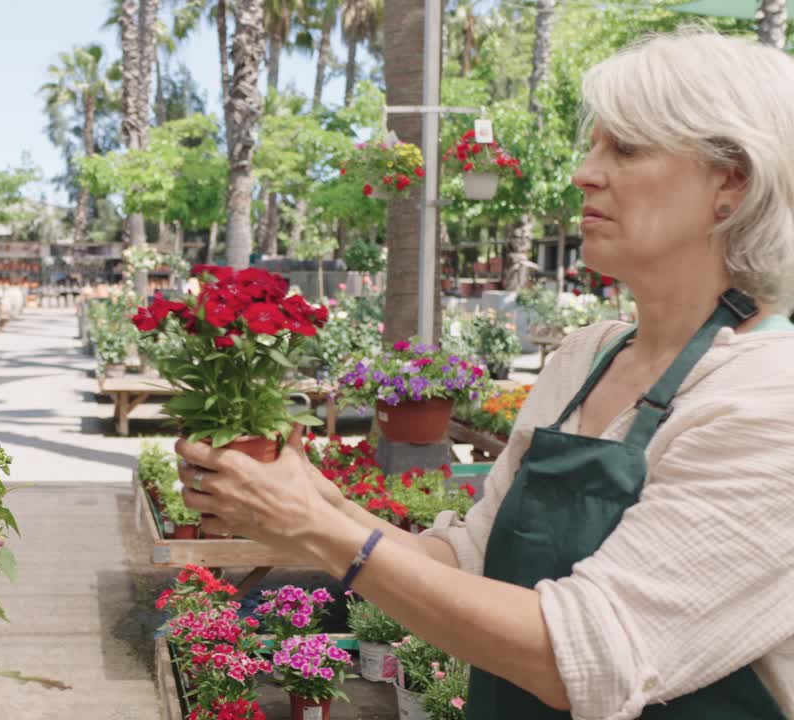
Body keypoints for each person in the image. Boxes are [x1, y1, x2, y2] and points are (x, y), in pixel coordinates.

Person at [177, 28, 794, 720]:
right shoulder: (586, 359)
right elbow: (469, 562)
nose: (584, 173)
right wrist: (314, 505)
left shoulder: (770, 397)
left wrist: (323, 533)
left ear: (731, 182)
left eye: (625, 148)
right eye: (594, 146)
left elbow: (591, 657)